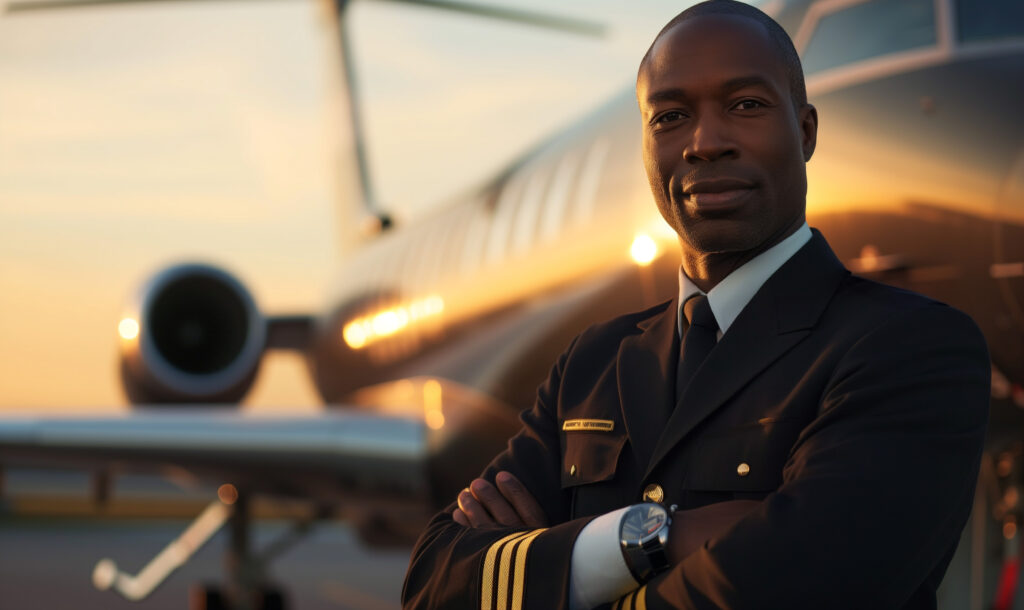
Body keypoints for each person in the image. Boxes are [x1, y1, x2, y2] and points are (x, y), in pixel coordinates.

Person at [402, 1, 991, 608]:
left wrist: (552, 566)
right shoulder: (592, 362)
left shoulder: (909, 347)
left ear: (807, 131)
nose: (705, 143)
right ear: (645, 149)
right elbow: (431, 582)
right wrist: (647, 539)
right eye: (671, 117)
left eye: (746, 106)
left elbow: (807, 584)